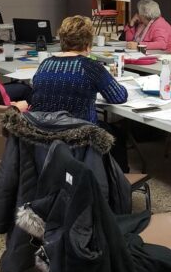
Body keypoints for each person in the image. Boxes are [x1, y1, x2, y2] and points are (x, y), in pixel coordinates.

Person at [31, 16, 129, 169]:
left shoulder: (45, 64)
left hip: (45, 137)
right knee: (116, 133)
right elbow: (119, 96)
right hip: (80, 136)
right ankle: (118, 184)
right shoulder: (91, 67)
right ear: (88, 43)